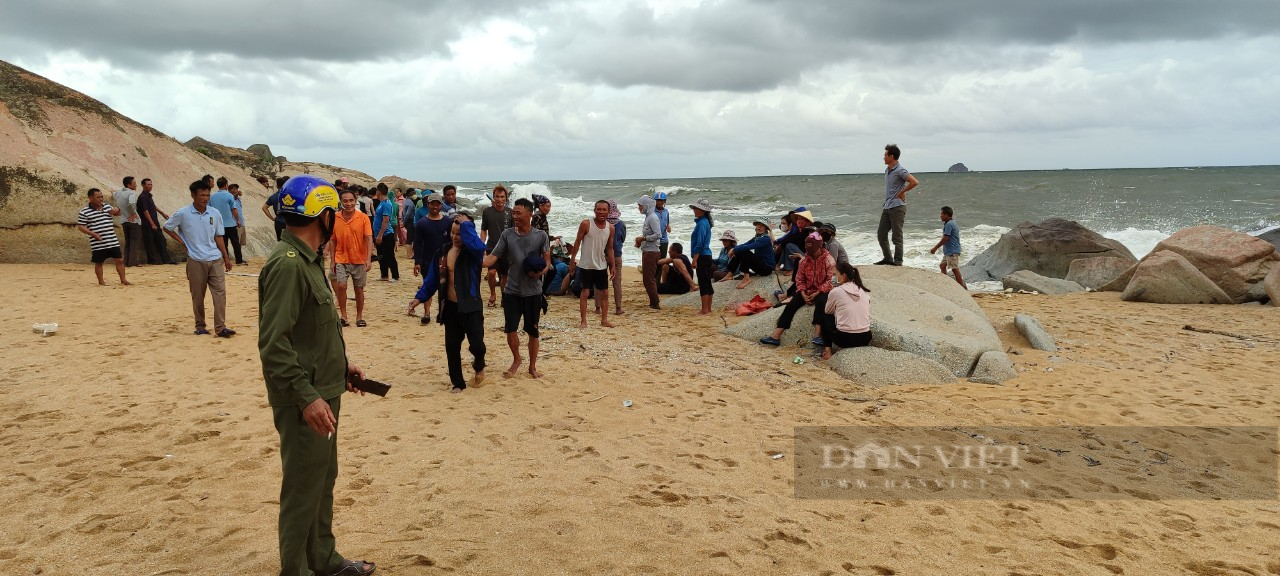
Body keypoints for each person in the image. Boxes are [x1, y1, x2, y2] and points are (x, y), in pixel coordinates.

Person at [257, 175, 375, 576]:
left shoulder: (306, 260)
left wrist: (341, 367)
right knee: (303, 489)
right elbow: (274, 344)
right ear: (323, 216)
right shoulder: (288, 265)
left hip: (323, 388)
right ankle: (297, 569)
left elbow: (313, 329)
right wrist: (307, 397)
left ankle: (322, 560)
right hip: (305, 397)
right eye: (332, 213)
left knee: (322, 480)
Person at [408, 214, 487, 393]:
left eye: (459, 233)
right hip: (450, 307)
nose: (455, 237)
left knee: (478, 346)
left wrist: (466, 225)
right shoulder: (443, 252)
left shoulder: (473, 253)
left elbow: (479, 246)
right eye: (452, 232)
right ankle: (458, 383)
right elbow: (432, 279)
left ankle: (479, 364)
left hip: (471, 306)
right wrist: (419, 298)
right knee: (452, 347)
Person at [483, 198, 550, 379]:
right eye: (513, 213)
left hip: (533, 292)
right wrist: (474, 261)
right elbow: (491, 258)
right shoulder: (507, 235)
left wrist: (540, 272)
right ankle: (517, 359)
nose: (515, 216)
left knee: (533, 330)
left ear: (530, 214)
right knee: (510, 329)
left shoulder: (541, 236)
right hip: (511, 290)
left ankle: (533, 366)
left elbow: (547, 262)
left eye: (518, 213)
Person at [164, 179, 235, 337]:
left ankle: (220, 327)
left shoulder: (214, 213)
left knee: (220, 293)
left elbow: (218, 236)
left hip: (215, 258)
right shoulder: (183, 213)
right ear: (193, 195)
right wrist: (183, 242)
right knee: (198, 295)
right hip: (196, 259)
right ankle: (200, 325)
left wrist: (226, 256)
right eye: (202, 195)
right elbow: (167, 227)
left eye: (207, 195)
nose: (205, 198)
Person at [759, 232, 835, 347]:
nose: (808, 248)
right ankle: (775, 336)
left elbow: (829, 280)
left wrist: (817, 293)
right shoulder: (804, 260)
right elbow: (799, 279)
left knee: (821, 303)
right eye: (807, 245)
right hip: (806, 290)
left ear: (819, 246)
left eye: (811, 246)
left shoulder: (829, 260)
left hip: (822, 290)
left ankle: (817, 335)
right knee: (791, 305)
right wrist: (803, 293)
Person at [568, 200, 617, 329]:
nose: (601, 212)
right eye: (599, 209)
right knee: (585, 292)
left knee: (605, 293)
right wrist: (572, 260)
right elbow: (577, 242)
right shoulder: (586, 224)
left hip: (601, 264)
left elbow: (610, 248)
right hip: (586, 265)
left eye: (604, 210)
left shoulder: (610, 228)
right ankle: (583, 321)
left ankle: (604, 320)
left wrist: (613, 265)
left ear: (608, 211)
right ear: (594, 210)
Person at [328, 190, 374, 327]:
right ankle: (344, 315)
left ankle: (359, 317)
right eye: (345, 201)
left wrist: (368, 258)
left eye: (351, 200)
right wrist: (332, 260)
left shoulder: (363, 218)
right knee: (341, 286)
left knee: (358, 289)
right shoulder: (335, 218)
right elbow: (332, 240)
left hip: (359, 259)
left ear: (356, 201)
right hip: (340, 258)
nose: (348, 204)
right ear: (341, 202)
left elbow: (368, 238)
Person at [412, 193, 454, 322]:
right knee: (428, 285)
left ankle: (445, 312)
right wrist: (417, 262)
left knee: (446, 287)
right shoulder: (421, 223)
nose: (435, 206)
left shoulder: (448, 222)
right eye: (432, 203)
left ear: (441, 205)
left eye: (437, 203)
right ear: (428, 204)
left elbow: (452, 242)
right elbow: (418, 244)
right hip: (427, 260)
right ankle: (427, 313)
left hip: (445, 260)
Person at [76, 188, 131, 286]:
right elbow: (81, 226)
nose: (101, 199)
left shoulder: (106, 207)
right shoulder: (84, 212)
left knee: (119, 260)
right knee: (99, 262)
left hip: (112, 240)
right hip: (98, 242)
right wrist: (93, 234)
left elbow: (119, 213)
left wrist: (117, 209)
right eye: (98, 197)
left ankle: (123, 280)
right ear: (90, 198)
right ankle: (101, 282)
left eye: (102, 197)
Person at [876, 143, 919, 266]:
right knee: (881, 234)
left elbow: (914, 182)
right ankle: (888, 258)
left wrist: (902, 192)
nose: (883, 157)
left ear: (892, 156)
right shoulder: (888, 170)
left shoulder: (900, 170)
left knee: (897, 235)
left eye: (885, 155)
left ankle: (898, 261)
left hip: (898, 207)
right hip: (887, 206)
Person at [820, 262, 873, 360]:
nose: (833, 277)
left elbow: (828, 311)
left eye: (835, 274)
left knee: (824, 316)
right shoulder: (863, 290)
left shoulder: (836, 291)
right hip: (866, 337)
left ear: (843, 276)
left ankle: (827, 351)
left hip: (846, 339)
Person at [480, 184, 514, 307]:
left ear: (506, 198)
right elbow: (484, 230)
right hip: (492, 247)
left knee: (504, 274)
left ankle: (504, 296)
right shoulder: (487, 212)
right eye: (497, 197)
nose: (499, 199)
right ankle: (493, 294)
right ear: (493, 198)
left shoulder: (510, 212)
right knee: (492, 272)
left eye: (502, 197)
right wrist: (481, 245)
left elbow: (514, 231)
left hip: (506, 249)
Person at [725, 220, 775, 289]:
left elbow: (749, 247)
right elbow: (745, 244)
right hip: (759, 266)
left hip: (766, 269)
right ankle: (730, 274)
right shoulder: (756, 238)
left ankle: (746, 278)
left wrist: (734, 249)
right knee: (741, 250)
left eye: (762, 226)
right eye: (758, 225)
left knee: (744, 251)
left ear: (766, 229)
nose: (759, 227)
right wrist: (735, 249)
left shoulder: (766, 239)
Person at [136, 178, 175, 265]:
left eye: (151, 184)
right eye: (148, 184)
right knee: (149, 242)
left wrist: (162, 213)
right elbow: (145, 211)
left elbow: (153, 206)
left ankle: (166, 260)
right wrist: (152, 223)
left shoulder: (148, 196)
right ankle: (152, 261)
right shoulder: (142, 197)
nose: (150, 186)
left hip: (154, 222)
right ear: (143, 185)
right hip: (147, 224)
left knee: (161, 240)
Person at [635, 195, 663, 309]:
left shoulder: (652, 217)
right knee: (647, 278)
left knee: (648, 278)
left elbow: (658, 234)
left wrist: (644, 239)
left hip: (652, 252)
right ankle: (653, 302)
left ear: (646, 205)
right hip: (648, 250)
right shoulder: (648, 217)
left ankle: (655, 303)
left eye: (640, 206)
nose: (639, 208)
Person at [209, 177, 244, 266]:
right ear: (226, 185)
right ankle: (239, 261)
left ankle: (225, 260)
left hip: (219, 225)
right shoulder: (229, 196)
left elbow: (209, 210)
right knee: (235, 243)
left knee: (223, 244)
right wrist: (238, 220)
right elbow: (234, 209)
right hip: (231, 224)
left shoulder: (212, 196)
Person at [688, 198, 715, 315]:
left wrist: (695, 259)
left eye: (697, 208)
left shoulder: (702, 223)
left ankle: (705, 309)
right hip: (706, 255)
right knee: (707, 282)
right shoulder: (704, 222)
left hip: (702, 256)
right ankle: (708, 309)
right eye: (694, 208)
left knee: (703, 282)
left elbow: (700, 243)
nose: (694, 210)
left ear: (703, 211)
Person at [930, 205, 966, 289]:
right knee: (942, 266)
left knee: (955, 269)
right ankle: (946, 284)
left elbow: (945, 238)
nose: (940, 216)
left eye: (941, 214)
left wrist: (935, 248)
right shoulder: (951, 223)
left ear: (946, 215)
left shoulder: (949, 224)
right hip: (949, 251)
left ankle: (962, 289)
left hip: (952, 251)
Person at [113, 176, 145, 267]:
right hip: (133, 221)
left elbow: (113, 193)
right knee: (134, 242)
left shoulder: (119, 193)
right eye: (134, 183)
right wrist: (133, 213)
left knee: (128, 242)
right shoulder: (132, 194)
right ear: (129, 185)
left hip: (123, 220)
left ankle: (126, 261)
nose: (136, 185)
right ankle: (133, 262)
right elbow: (131, 203)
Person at [773, 207, 814, 273]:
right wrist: (778, 242)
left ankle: (791, 269)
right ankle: (781, 265)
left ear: (807, 221)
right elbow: (789, 237)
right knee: (786, 245)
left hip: (809, 259)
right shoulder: (799, 229)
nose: (798, 221)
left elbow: (792, 239)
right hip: (803, 255)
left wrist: (780, 245)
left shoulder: (809, 231)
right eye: (798, 219)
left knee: (789, 245)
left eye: (801, 219)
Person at [373, 184, 400, 282]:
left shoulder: (387, 204)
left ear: (379, 192)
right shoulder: (381, 203)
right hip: (379, 234)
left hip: (386, 234)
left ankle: (395, 276)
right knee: (381, 256)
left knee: (389, 256)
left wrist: (380, 235)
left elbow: (386, 220)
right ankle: (384, 275)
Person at [263, 176, 289, 241]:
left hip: (279, 222)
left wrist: (272, 218)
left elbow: (264, 208)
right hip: (290, 222)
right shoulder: (291, 195)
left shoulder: (273, 197)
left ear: (277, 186)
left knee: (280, 242)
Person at [230, 183, 248, 263]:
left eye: (236, 189)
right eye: (233, 189)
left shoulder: (239, 199)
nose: (235, 190)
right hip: (236, 223)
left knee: (240, 242)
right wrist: (236, 194)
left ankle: (239, 257)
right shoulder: (230, 199)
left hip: (242, 223)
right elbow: (233, 197)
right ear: (229, 190)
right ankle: (238, 259)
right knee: (236, 242)